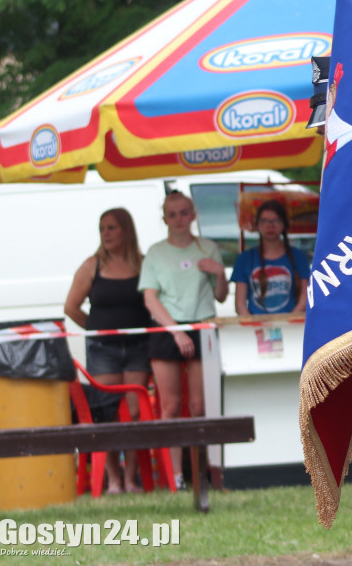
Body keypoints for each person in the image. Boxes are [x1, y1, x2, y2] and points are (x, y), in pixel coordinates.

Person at [139, 190, 228, 490]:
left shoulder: (208, 247)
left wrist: (219, 273)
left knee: (201, 405)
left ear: (193, 215)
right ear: (164, 218)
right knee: (172, 406)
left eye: (183, 212)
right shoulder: (155, 252)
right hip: (167, 330)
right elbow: (150, 298)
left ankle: (200, 472)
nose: (178, 219)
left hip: (202, 326)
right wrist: (175, 331)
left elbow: (220, 295)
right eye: (172, 214)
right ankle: (175, 477)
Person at [64, 207, 153, 494]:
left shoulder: (143, 263)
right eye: (103, 228)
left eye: (112, 227)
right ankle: (114, 479)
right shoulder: (92, 265)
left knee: (136, 412)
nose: (106, 234)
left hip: (139, 346)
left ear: (127, 230)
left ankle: (131, 477)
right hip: (103, 349)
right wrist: (95, 328)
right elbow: (71, 307)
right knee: (108, 412)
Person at [231, 199, 309, 316]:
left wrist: (289, 322)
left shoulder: (299, 256)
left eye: (276, 221)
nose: (270, 225)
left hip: (292, 326)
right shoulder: (244, 259)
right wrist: (254, 326)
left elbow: (305, 299)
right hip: (256, 328)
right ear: (257, 224)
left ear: (284, 224)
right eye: (264, 221)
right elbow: (240, 304)